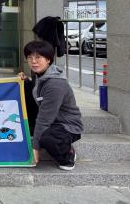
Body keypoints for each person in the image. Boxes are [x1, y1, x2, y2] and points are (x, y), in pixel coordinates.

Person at [19, 40, 83, 171]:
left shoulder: (55, 84)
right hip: (51, 121)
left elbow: (44, 119)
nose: (33, 61)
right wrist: (25, 82)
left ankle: (67, 155)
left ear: (48, 59)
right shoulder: (40, 75)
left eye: (38, 57)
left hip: (66, 125)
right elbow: (36, 96)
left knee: (48, 139)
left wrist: (35, 148)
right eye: (30, 58)